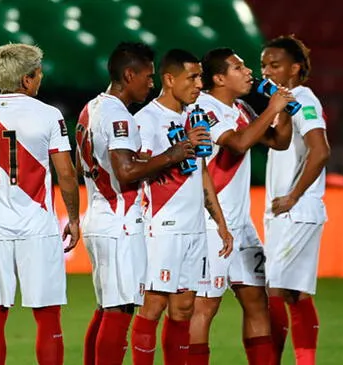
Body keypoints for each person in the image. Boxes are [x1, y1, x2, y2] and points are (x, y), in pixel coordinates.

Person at [0, 43, 79, 365]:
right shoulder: (48, 115)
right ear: (26, 79)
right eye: (38, 73)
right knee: (48, 317)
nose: (41, 79)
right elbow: (66, 173)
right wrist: (75, 219)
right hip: (38, 228)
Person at [76, 42, 194, 365]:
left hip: (98, 214)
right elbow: (125, 171)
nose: (151, 83)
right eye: (148, 76)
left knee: (105, 309)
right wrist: (172, 155)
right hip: (120, 222)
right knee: (119, 312)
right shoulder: (120, 117)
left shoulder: (91, 109)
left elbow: (81, 167)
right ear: (129, 75)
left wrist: (141, 160)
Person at [187, 48, 295, 365]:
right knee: (204, 307)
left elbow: (279, 141)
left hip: (240, 223)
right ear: (219, 78)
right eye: (238, 67)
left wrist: (283, 109)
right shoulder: (204, 108)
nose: (248, 71)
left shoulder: (241, 108)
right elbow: (237, 143)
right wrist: (271, 108)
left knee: (257, 301)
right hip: (211, 222)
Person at [129, 49, 233, 365]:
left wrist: (220, 222)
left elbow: (201, 173)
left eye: (200, 76)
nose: (199, 84)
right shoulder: (145, 120)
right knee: (153, 306)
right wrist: (179, 147)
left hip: (194, 227)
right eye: (192, 77)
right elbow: (136, 168)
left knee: (184, 308)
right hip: (162, 227)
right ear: (170, 79)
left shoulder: (191, 117)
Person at [260, 35, 330, 365]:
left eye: (275, 65)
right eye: (263, 65)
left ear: (295, 68)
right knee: (295, 293)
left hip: (296, 212)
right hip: (289, 212)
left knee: (271, 290)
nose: (267, 71)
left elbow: (321, 151)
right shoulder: (284, 104)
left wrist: (292, 196)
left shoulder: (303, 100)